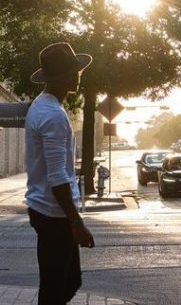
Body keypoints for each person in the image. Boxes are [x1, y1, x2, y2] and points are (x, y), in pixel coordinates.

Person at [25, 42, 96, 304]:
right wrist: (76, 222)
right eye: (75, 70)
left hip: (46, 209)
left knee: (68, 282)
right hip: (53, 214)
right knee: (54, 290)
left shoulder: (43, 105)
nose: (79, 74)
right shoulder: (52, 115)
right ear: (66, 77)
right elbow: (57, 177)